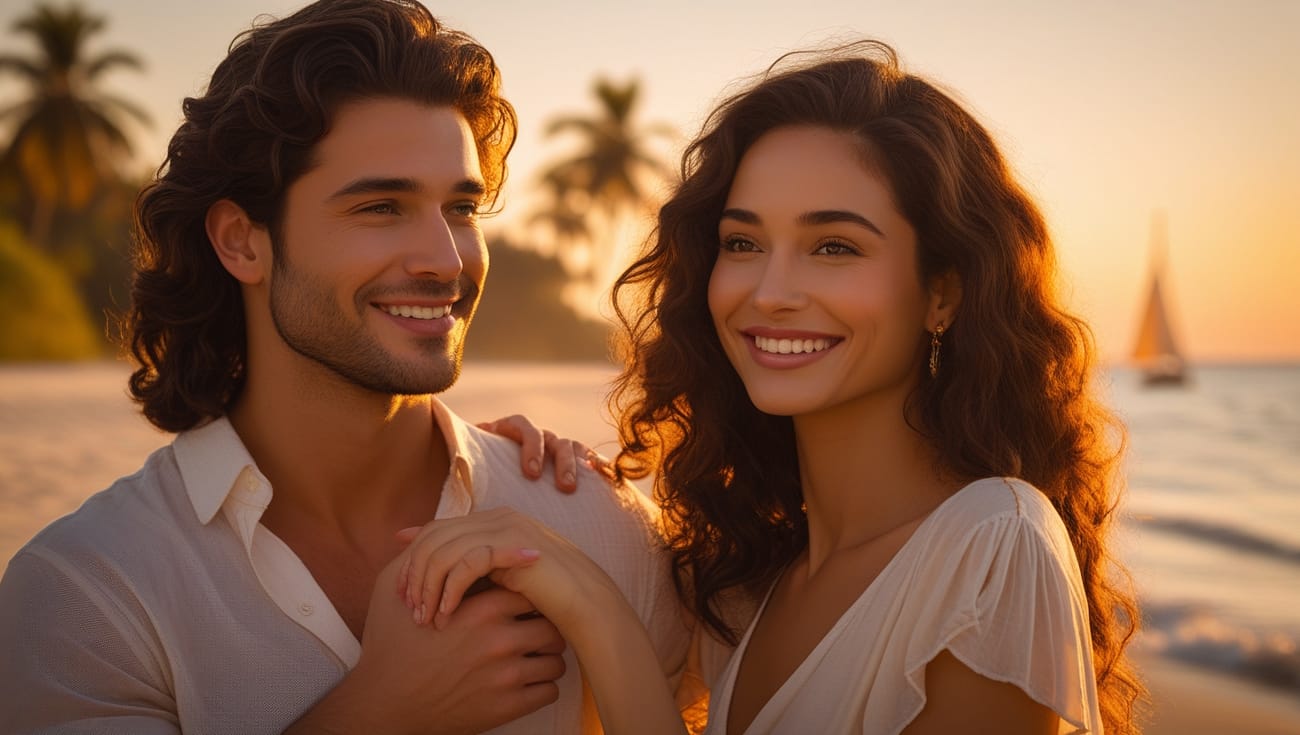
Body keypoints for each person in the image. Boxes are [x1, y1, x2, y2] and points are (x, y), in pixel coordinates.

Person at [395, 41, 1146, 734]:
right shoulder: (750, 584)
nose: (771, 291)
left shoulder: (990, 545)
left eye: (834, 246)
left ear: (942, 292)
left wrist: (593, 605)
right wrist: (521, 470)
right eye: (744, 243)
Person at [0, 1, 691, 732]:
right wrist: (377, 710)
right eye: (382, 208)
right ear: (242, 242)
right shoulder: (86, 587)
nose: (444, 259)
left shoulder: (597, 526)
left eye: (461, 208)